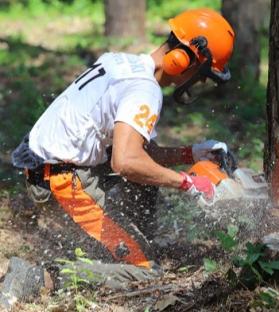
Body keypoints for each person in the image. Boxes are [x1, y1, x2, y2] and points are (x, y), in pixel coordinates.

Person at [1, 8, 235, 309]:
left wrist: (192, 153)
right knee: (145, 274)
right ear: (182, 60)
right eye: (201, 75)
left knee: (146, 177)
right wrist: (188, 183)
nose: (199, 83)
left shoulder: (124, 62)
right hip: (59, 180)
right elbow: (125, 162)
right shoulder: (145, 91)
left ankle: (124, 242)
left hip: (57, 162)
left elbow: (139, 153)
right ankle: (43, 276)